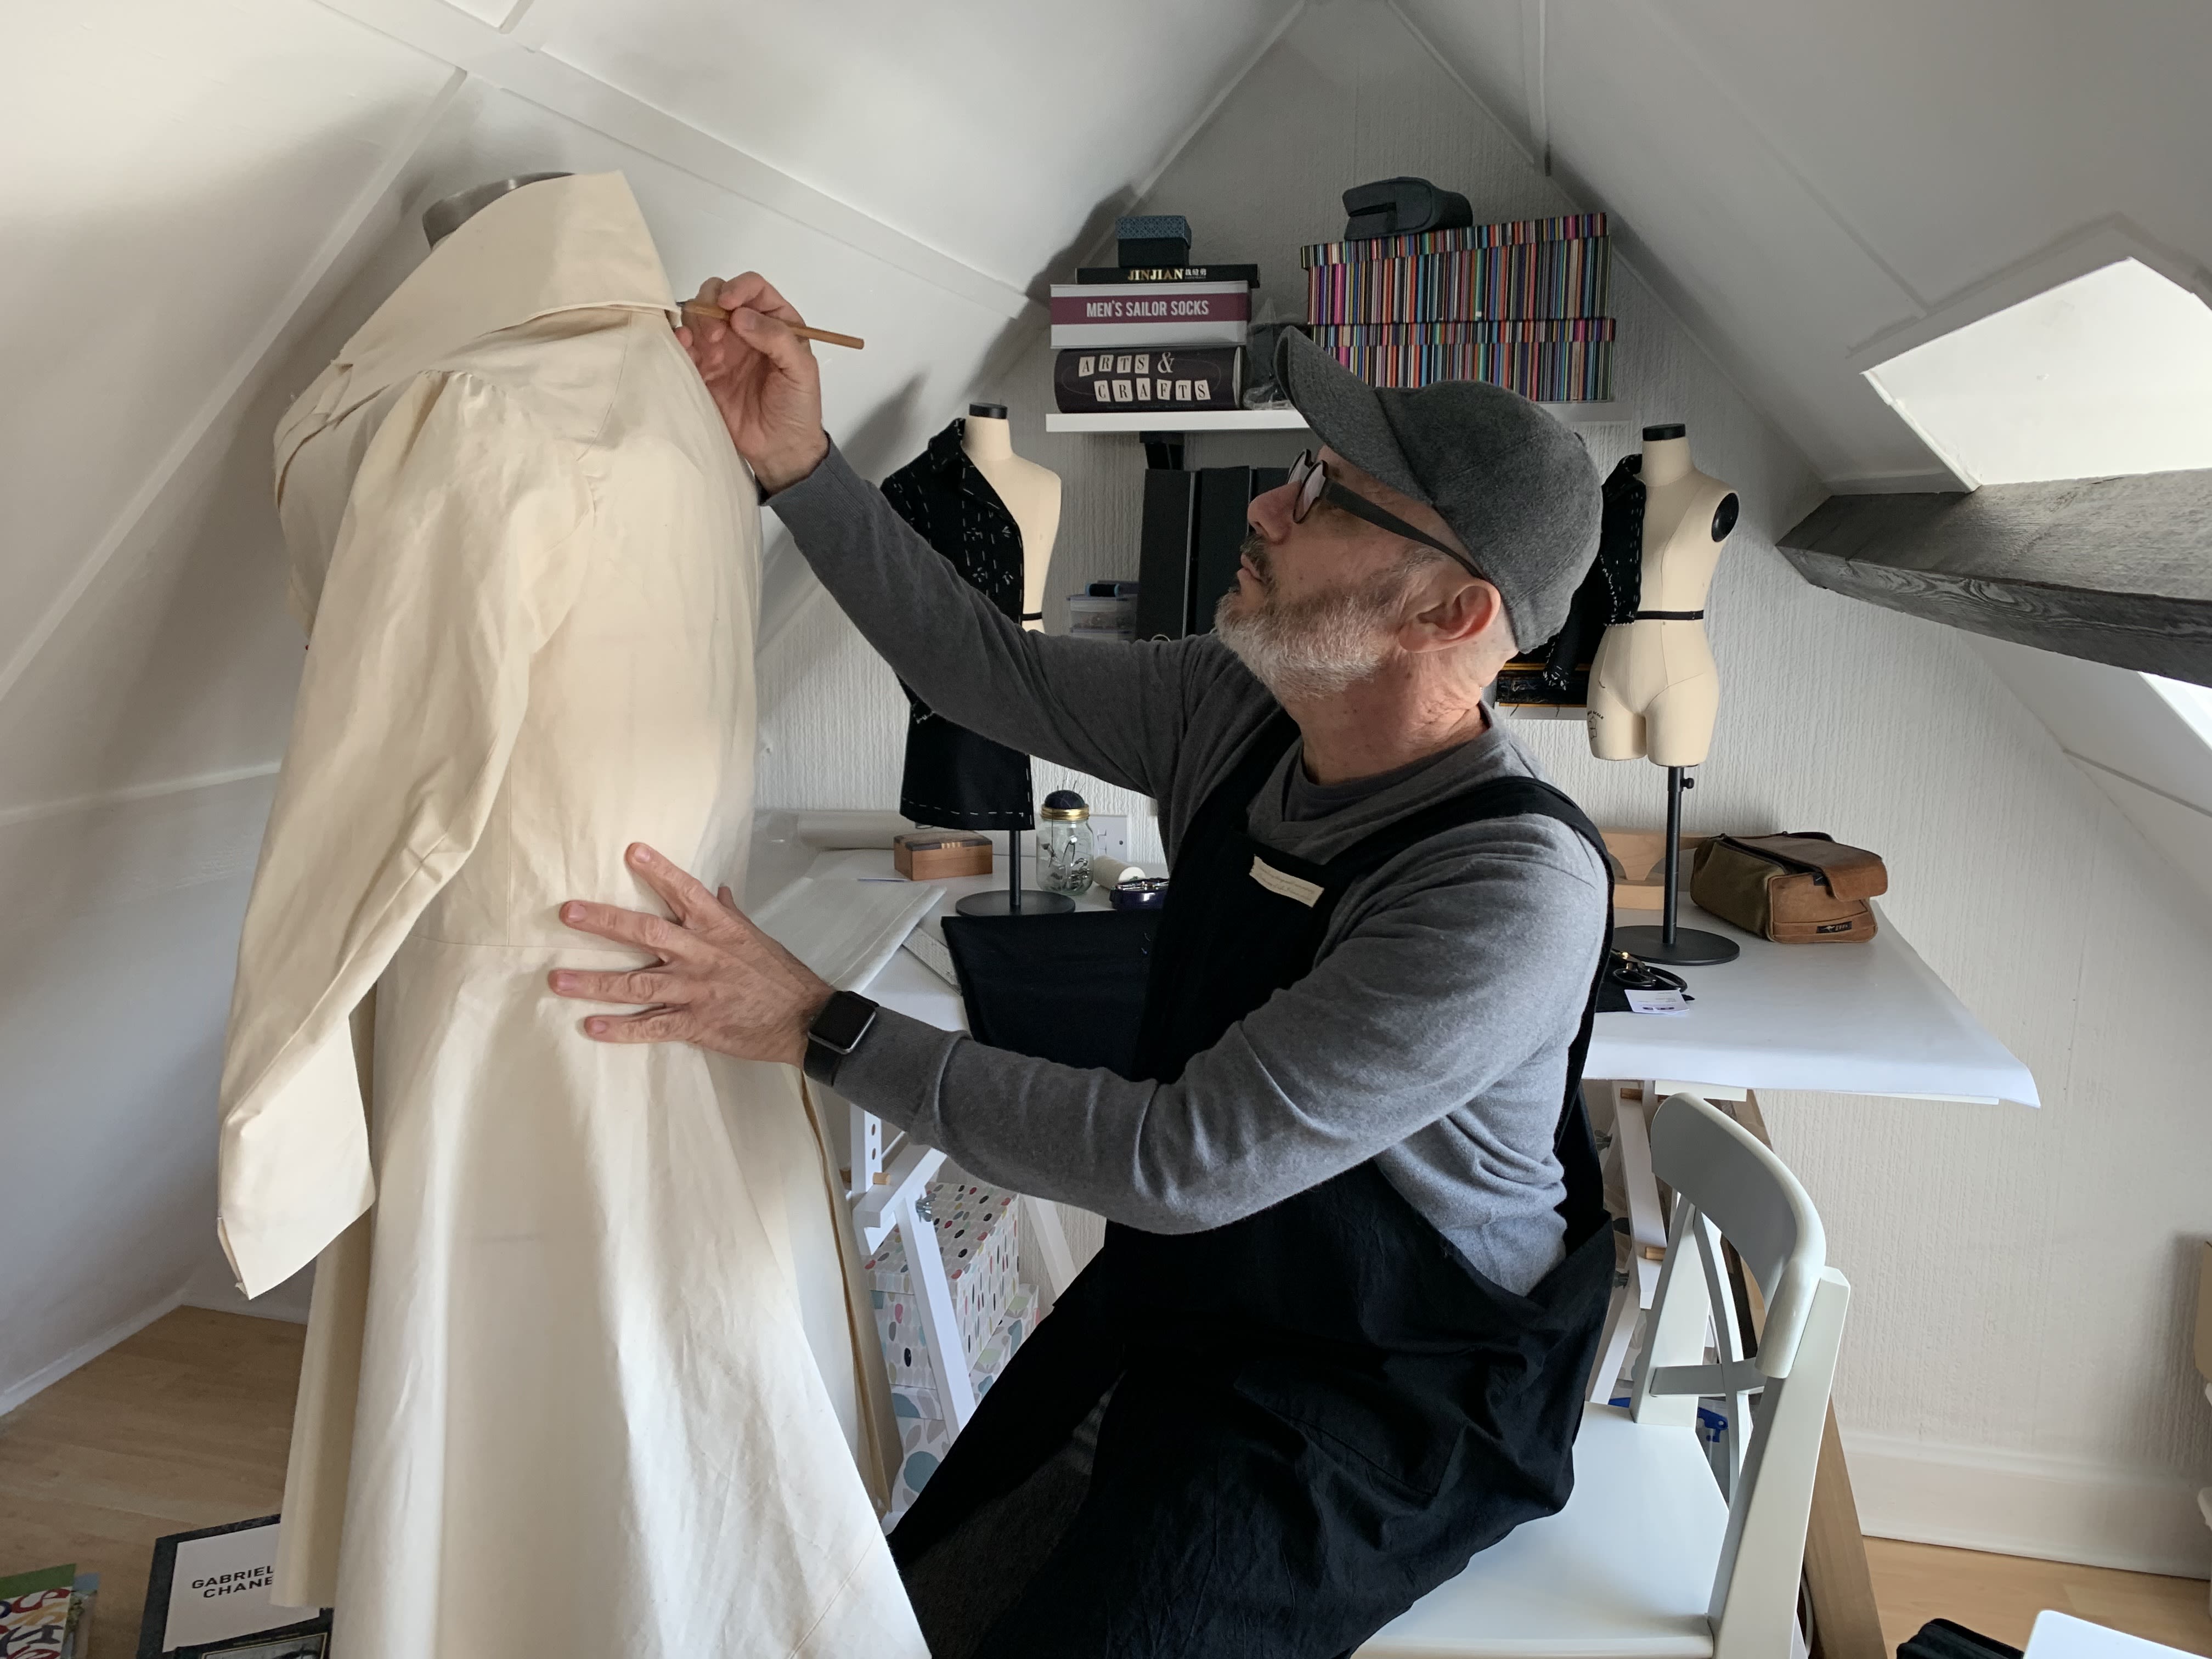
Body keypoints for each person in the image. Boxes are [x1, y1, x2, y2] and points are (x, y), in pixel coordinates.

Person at [548, 274, 1613, 1659]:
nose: (1267, 508)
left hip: (1390, 1385)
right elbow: (986, 668)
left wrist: (815, 1022)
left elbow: (1181, 1158)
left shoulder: (1503, 890)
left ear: (1451, 615)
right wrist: (799, 465)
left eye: (1327, 494)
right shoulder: (1241, 708)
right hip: (1195, 1300)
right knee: (910, 1602)